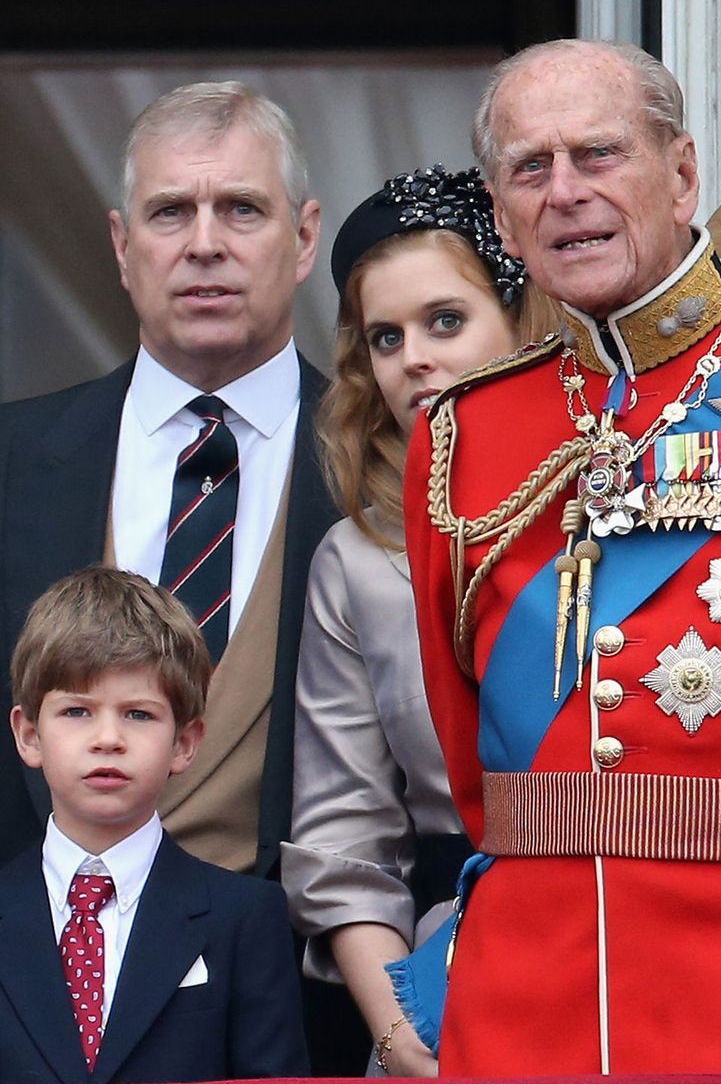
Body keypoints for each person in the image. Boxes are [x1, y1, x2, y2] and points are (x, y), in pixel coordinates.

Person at [404, 38, 721, 1076]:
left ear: (680, 173)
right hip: (521, 1004)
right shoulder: (458, 435)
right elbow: (473, 770)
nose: (565, 194)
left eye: (597, 155)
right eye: (529, 169)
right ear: (501, 216)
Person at [0, 81, 337, 885]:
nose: (205, 243)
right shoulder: (13, 459)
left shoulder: (395, 467)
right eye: (170, 211)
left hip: (297, 988)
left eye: (243, 209)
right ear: (122, 246)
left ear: (304, 237)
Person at [282, 165, 560, 1076]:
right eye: (385, 338)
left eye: (447, 321)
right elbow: (343, 844)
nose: (415, 359)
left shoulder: (630, 501)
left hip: (642, 942)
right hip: (450, 978)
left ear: (525, 318)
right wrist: (404, 1040)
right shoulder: (356, 563)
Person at [0, 565, 308, 1083]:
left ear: (184, 743)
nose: (107, 738)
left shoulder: (245, 918)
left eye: (138, 715)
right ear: (29, 735)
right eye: (77, 711)